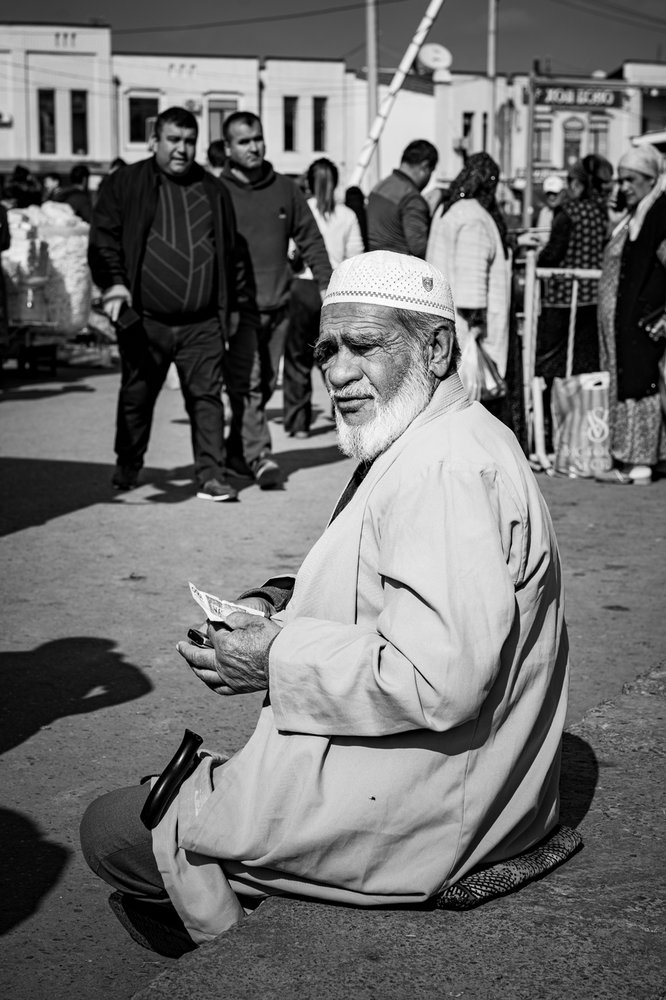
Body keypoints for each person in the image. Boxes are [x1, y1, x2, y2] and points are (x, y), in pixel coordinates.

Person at [80, 250, 569, 953]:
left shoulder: (443, 470)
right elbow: (391, 584)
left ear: (436, 348)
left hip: (434, 807)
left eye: (364, 347)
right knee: (167, 795)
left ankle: (237, 945)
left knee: (111, 829)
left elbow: (436, 679)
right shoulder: (445, 434)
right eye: (327, 351)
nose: (338, 374)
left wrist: (273, 659)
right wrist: (278, 601)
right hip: (449, 780)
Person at [88, 105, 258, 501]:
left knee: (207, 399)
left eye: (189, 141)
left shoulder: (213, 190)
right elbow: (103, 239)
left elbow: (232, 253)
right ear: (154, 141)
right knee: (137, 395)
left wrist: (233, 308)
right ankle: (128, 462)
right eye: (173, 140)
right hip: (145, 320)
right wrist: (114, 285)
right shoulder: (125, 183)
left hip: (202, 323)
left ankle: (212, 475)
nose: (182, 149)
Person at [219, 111, 331, 488]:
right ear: (228, 148)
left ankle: (235, 453)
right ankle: (260, 456)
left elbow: (310, 237)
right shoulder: (217, 192)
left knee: (266, 384)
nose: (253, 147)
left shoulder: (285, 189)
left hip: (279, 306)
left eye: (257, 138)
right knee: (249, 384)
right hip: (241, 310)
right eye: (243, 141)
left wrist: (326, 284)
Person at [596, 143, 666, 486]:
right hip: (630, 321)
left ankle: (638, 463)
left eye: (631, 179)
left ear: (651, 178)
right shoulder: (637, 215)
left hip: (644, 322)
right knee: (634, 382)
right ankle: (644, 458)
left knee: (641, 385)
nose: (623, 187)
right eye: (620, 180)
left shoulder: (659, 214)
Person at [283, 158, 364, 437]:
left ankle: (298, 423)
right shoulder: (347, 215)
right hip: (335, 291)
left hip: (302, 287)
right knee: (334, 357)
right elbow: (355, 256)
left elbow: (290, 251)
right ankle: (342, 415)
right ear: (336, 180)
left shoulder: (302, 210)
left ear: (308, 181)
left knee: (296, 357)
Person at [533, 159, 609, 452]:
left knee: (550, 368)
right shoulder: (600, 213)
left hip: (562, 300)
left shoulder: (568, 213)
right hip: (592, 300)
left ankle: (551, 436)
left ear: (577, 184)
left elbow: (553, 253)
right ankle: (584, 433)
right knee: (585, 369)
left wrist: (534, 258)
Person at [426, 152, 512, 404]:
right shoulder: (474, 218)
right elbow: (471, 293)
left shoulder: (448, 210)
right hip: (468, 335)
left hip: (446, 327)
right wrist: (478, 328)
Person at [366, 139, 438, 258]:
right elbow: (419, 248)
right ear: (425, 166)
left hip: (373, 260)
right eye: (431, 171)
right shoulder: (411, 198)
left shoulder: (380, 186)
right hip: (399, 264)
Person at [533, 174, 565, 244]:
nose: (551, 197)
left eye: (555, 193)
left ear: (562, 193)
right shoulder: (544, 212)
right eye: (549, 194)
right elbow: (541, 238)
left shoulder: (569, 212)